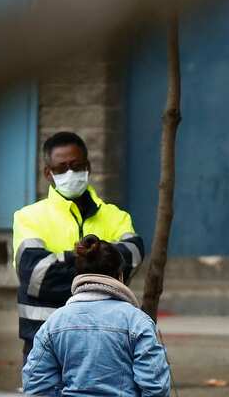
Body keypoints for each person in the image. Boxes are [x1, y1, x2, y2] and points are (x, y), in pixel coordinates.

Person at [22, 235, 170, 397]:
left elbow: (35, 384)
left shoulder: (54, 323)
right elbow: (155, 385)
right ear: (120, 276)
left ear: (79, 274)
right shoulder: (137, 321)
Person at [13, 131, 144, 359]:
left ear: (88, 167)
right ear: (48, 173)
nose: (70, 173)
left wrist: (63, 262)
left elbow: (132, 257)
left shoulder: (116, 216)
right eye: (61, 168)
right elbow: (37, 276)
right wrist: (101, 263)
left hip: (105, 342)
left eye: (76, 165)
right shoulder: (28, 217)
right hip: (45, 341)